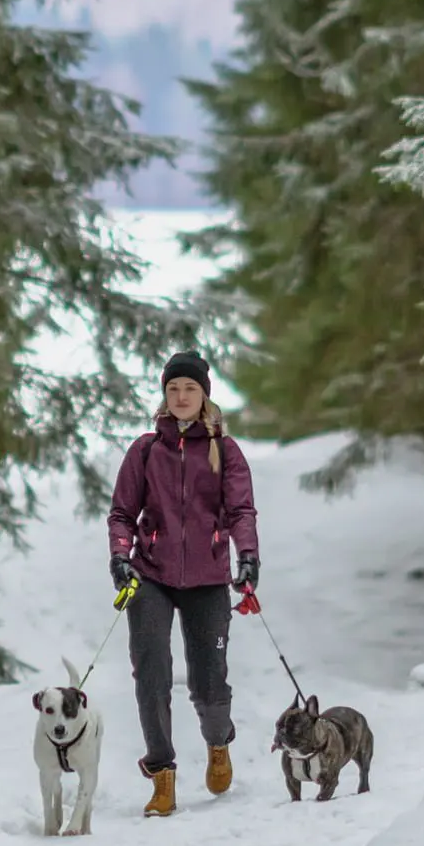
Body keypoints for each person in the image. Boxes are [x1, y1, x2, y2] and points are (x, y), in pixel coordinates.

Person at [106, 350, 259, 818]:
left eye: (189, 388)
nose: (181, 396)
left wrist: (248, 556)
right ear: (165, 395)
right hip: (150, 575)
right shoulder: (145, 449)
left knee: (209, 680)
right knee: (151, 674)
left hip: (209, 578)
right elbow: (122, 513)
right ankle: (163, 775)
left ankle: (218, 741)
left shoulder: (225, 451)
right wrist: (119, 556)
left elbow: (240, 512)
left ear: (204, 395)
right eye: (173, 389)